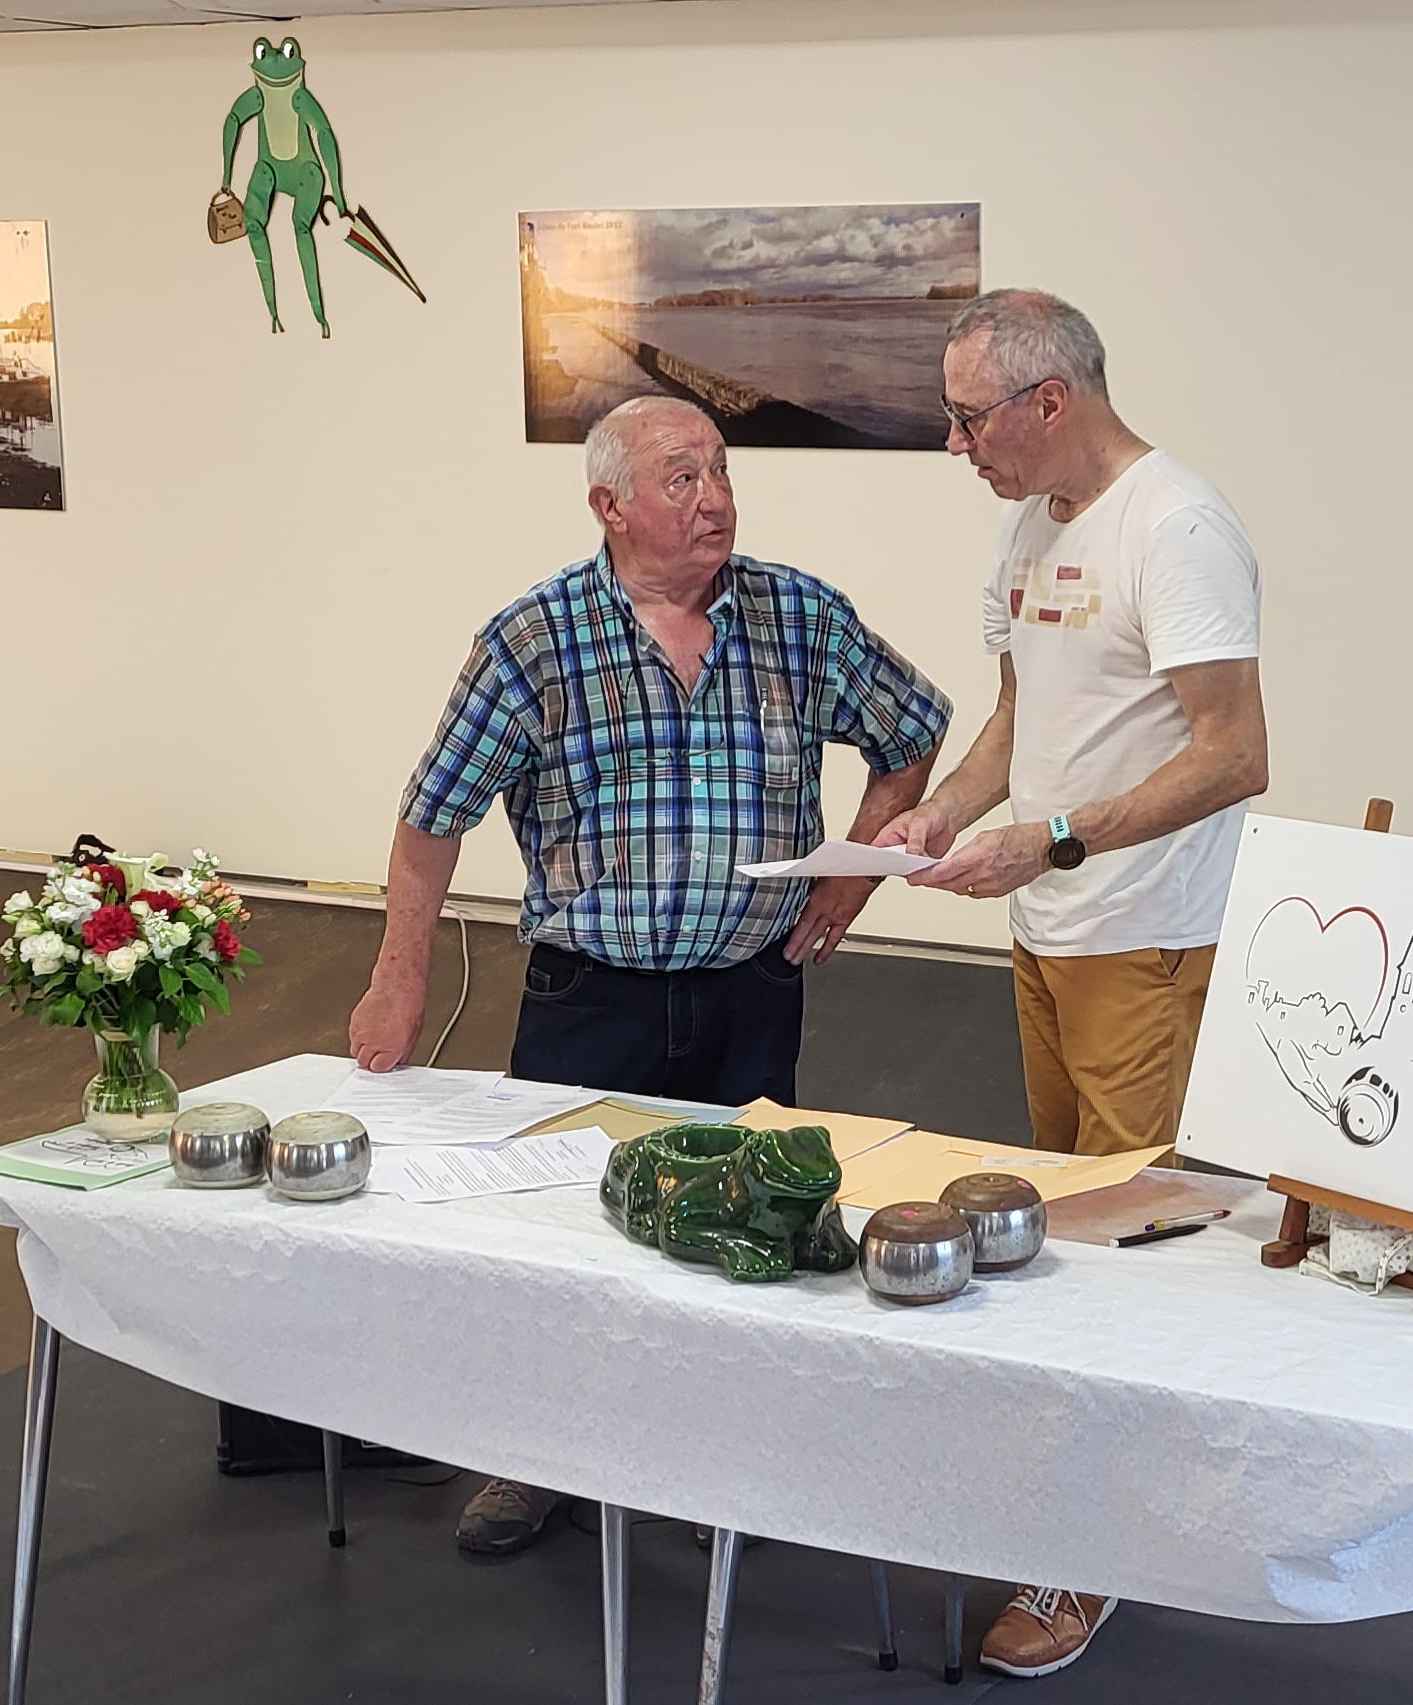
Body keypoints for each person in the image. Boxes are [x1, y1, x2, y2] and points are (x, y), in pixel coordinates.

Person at [350, 394, 951, 1556]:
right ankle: (541, 1461)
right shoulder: (534, 640)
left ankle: (726, 1460)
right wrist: (399, 979)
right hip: (593, 993)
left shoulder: (799, 617)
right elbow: (431, 821)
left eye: (721, 472)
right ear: (608, 506)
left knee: (757, 1224)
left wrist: (855, 875)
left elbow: (913, 726)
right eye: (682, 478)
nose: (716, 497)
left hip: (750, 985)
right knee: (569, 1236)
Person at [875, 290, 1267, 1679]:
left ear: (1050, 402)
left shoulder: (1175, 528)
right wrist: (943, 813)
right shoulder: (1025, 521)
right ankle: (1080, 1487)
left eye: (968, 417)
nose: (953, 443)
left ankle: (1098, 1552)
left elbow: (1232, 754)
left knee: (1120, 1242)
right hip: (1046, 932)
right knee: (1064, 1216)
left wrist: (1049, 837)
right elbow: (1018, 722)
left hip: (1141, 932)